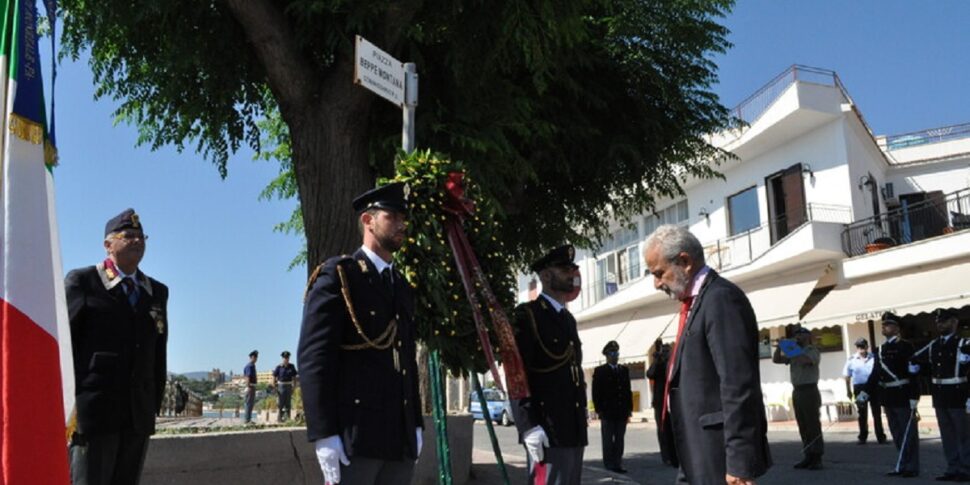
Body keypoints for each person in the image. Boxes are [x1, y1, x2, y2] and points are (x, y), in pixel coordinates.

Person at [298, 182, 422, 485]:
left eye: (404, 218)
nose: (402, 225)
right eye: (392, 216)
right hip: (356, 436)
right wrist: (324, 434)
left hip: (398, 437)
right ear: (368, 220)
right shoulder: (340, 276)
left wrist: (415, 424)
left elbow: (406, 358)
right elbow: (315, 358)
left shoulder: (401, 287)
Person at [643, 225, 770, 484]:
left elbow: (738, 386)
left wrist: (739, 461)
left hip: (718, 456)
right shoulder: (696, 303)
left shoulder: (721, 299)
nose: (656, 284)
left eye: (659, 273)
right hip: (695, 451)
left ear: (685, 262)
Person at [66, 208, 169, 485]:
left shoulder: (156, 291)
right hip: (95, 413)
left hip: (137, 413)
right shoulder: (84, 282)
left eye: (141, 236)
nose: (137, 241)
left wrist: (153, 403)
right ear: (108, 244)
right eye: (128, 235)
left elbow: (158, 352)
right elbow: (66, 347)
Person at [510, 244, 587, 485]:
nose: (571, 275)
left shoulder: (567, 319)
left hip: (571, 428)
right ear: (545, 275)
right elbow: (516, 375)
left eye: (572, 269)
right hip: (546, 428)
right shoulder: (527, 315)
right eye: (564, 269)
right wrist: (528, 425)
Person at [910, 307, 970, 482]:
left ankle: (966, 469)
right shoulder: (934, 345)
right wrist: (917, 368)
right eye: (938, 321)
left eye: (943, 321)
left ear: (954, 322)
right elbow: (919, 360)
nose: (940, 324)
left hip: (959, 393)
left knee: (963, 434)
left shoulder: (963, 344)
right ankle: (952, 468)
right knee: (947, 434)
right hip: (940, 395)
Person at [863, 313, 920, 477]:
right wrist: (865, 392)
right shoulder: (880, 350)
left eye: (888, 325)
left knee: (908, 432)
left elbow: (913, 373)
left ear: (896, 328)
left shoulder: (905, 347)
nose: (884, 327)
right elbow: (875, 373)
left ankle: (912, 466)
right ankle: (902, 464)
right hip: (888, 395)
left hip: (903, 394)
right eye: (883, 325)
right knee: (896, 432)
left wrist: (914, 397)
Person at [773, 326, 824, 470]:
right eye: (796, 335)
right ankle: (808, 455)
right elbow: (776, 360)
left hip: (809, 390)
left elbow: (805, 360)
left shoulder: (811, 350)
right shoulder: (794, 351)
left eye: (800, 335)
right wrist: (780, 347)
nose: (797, 337)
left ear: (807, 336)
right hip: (797, 390)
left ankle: (817, 457)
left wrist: (789, 346)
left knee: (813, 424)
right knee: (803, 425)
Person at [592, 340, 633, 473]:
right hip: (607, 411)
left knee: (620, 439)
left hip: (621, 411)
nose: (615, 356)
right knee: (608, 439)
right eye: (612, 353)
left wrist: (629, 409)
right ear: (607, 355)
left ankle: (618, 462)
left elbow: (627, 390)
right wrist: (599, 410)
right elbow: (596, 392)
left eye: (617, 353)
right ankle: (609, 463)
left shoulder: (623, 370)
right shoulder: (600, 371)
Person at [843, 337, 887, 445]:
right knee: (862, 413)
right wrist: (848, 391)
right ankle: (862, 437)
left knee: (876, 413)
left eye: (862, 346)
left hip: (873, 387)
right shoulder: (851, 359)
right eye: (858, 346)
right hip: (860, 388)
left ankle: (880, 437)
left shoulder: (874, 357)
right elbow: (847, 376)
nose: (861, 348)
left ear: (867, 347)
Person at [645, 340, 678, 468]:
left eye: (667, 351)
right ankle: (666, 456)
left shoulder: (673, 364)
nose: (665, 354)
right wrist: (657, 360)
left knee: (674, 429)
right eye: (663, 351)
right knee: (663, 430)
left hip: (673, 400)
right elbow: (650, 374)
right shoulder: (658, 365)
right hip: (660, 402)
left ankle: (675, 456)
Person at [273, 350, 299, 422]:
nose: (286, 359)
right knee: (281, 403)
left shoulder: (292, 366)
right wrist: (275, 387)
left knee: (288, 403)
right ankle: (280, 419)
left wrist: (294, 386)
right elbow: (274, 376)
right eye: (284, 358)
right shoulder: (279, 367)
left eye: (287, 358)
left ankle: (288, 419)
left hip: (289, 385)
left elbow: (294, 377)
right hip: (281, 386)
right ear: (282, 358)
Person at [243, 350, 258, 424]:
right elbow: (248, 377)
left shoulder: (252, 366)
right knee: (248, 403)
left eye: (256, 357)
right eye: (254, 357)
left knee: (250, 404)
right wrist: (248, 387)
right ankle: (247, 420)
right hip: (250, 386)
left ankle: (248, 419)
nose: (255, 358)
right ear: (251, 357)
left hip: (252, 386)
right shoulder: (250, 366)